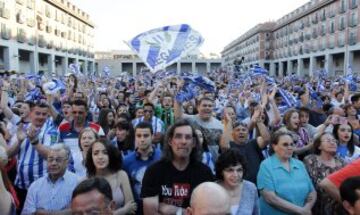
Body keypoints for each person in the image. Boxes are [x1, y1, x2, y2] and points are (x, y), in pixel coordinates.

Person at [141, 119, 214, 215]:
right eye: (178, 136)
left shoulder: (205, 173)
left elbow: (207, 211)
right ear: (170, 141)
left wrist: (176, 210)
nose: (183, 141)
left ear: (194, 143)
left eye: (188, 137)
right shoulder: (154, 171)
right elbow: (150, 212)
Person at [257, 131, 317, 215]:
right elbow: (270, 198)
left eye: (292, 144)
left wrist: (307, 207)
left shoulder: (299, 164)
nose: (290, 147)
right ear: (274, 147)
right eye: (285, 144)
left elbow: (312, 191)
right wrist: (301, 211)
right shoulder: (266, 166)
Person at [21, 144, 78, 215]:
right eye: (50, 159)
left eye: (58, 160)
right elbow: (28, 212)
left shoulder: (77, 183)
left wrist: (40, 212)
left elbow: (78, 211)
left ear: (67, 162)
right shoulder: (35, 186)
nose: (53, 163)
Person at [85, 140, 137, 214]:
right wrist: (123, 211)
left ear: (111, 155)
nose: (100, 157)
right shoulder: (84, 181)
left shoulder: (121, 175)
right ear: (91, 157)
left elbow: (132, 208)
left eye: (105, 153)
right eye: (96, 153)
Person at [221, 107, 270, 184]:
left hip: (259, 184)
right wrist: (229, 122)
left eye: (244, 130)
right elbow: (223, 145)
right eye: (238, 130)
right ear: (232, 134)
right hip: (238, 184)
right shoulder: (230, 145)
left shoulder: (254, 143)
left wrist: (258, 120)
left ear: (247, 133)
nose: (241, 132)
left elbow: (266, 139)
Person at [123, 122, 162, 215]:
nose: (142, 139)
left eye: (146, 135)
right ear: (135, 137)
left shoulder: (162, 157)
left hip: (159, 209)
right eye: (139, 136)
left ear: (152, 136)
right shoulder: (126, 161)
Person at [303, 132, 346, 215]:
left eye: (334, 140)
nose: (332, 142)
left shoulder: (342, 162)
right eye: (328, 140)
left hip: (339, 207)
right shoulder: (310, 160)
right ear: (319, 146)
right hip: (317, 205)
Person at [58, 99, 104, 175]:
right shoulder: (62, 128)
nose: (77, 115)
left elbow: (103, 150)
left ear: (86, 113)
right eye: (74, 112)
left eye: (80, 112)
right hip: (69, 173)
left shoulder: (97, 128)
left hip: (93, 171)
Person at [216, 149, 259, 215]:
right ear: (221, 171)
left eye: (239, 170)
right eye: (230, 170)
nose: (235, 175)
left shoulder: (251, 188)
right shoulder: (213, 190)